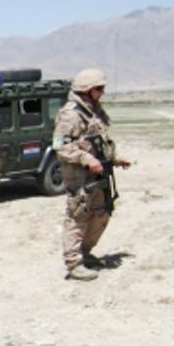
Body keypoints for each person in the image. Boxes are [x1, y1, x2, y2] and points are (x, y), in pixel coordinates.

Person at [54, 68, 132, 280]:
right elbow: (59, 146)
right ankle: (73, 264)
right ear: (86, 90)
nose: (102, 92)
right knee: (77, 218)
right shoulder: (70, 114)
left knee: (102, 213)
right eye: (99, 89)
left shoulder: (94, 111)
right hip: (80, 176)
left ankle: (84, 254)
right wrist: (87, 160)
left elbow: (101, 141)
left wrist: (115, 159)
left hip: (99, 175)